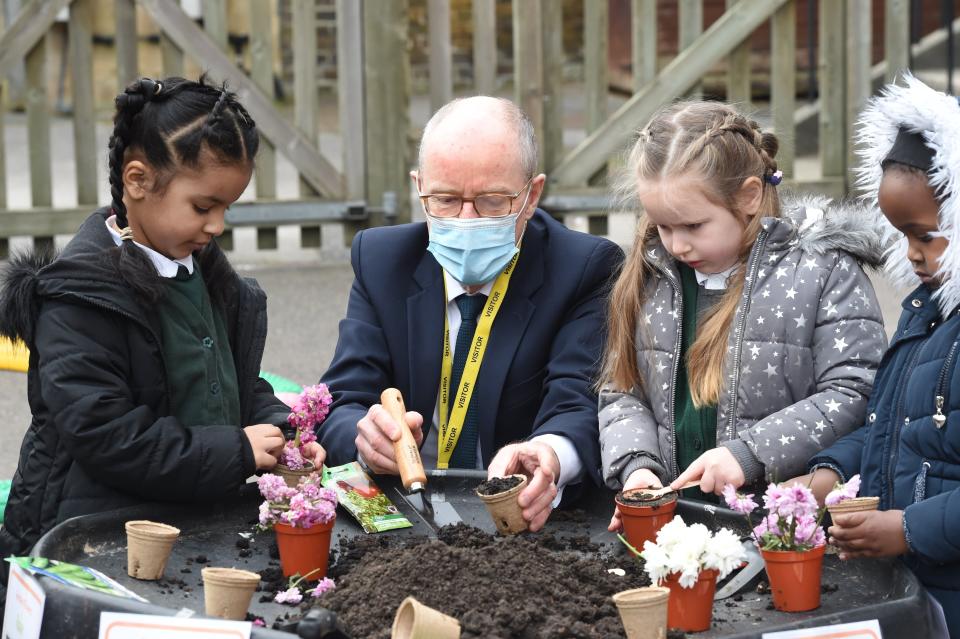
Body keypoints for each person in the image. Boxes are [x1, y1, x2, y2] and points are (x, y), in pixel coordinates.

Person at [0, 76, 324, 574]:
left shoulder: (206, 273)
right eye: (203, 207)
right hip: (91, 535)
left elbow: (231, 379)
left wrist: (278, 432)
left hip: (188, 514)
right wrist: (236, 450)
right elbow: (107, 434)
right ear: (137, 181)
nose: (217, 226)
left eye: (226, 208)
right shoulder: (80, 298)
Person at [318, 96, 623, 531]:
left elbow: (577, 401)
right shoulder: (382, 260)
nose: (466, 220)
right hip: (405, 511)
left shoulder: (582, 269)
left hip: (516, 518)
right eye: (444, 199)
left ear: (531, 195)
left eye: (492, 201)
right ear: (418, 187)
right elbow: (342, 398)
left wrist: (551, 454)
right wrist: (364, 438)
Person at [598, 101, 887, 531]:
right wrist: (637, 467)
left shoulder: (822, 271)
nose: (677, 246)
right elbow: (622, 390)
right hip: (676, 528)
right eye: (662, 226)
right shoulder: (650, 272)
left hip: (782, 532)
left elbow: (856, 389)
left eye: (694, 226)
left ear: (749, 196)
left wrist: (749, 453)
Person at [795, 76, 960, 636]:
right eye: (900, 235)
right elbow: (893, 424)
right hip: (921, 588)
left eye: (927, 236)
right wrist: (833, 469)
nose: (911, 254)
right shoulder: (928, 312)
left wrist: (909, 527)